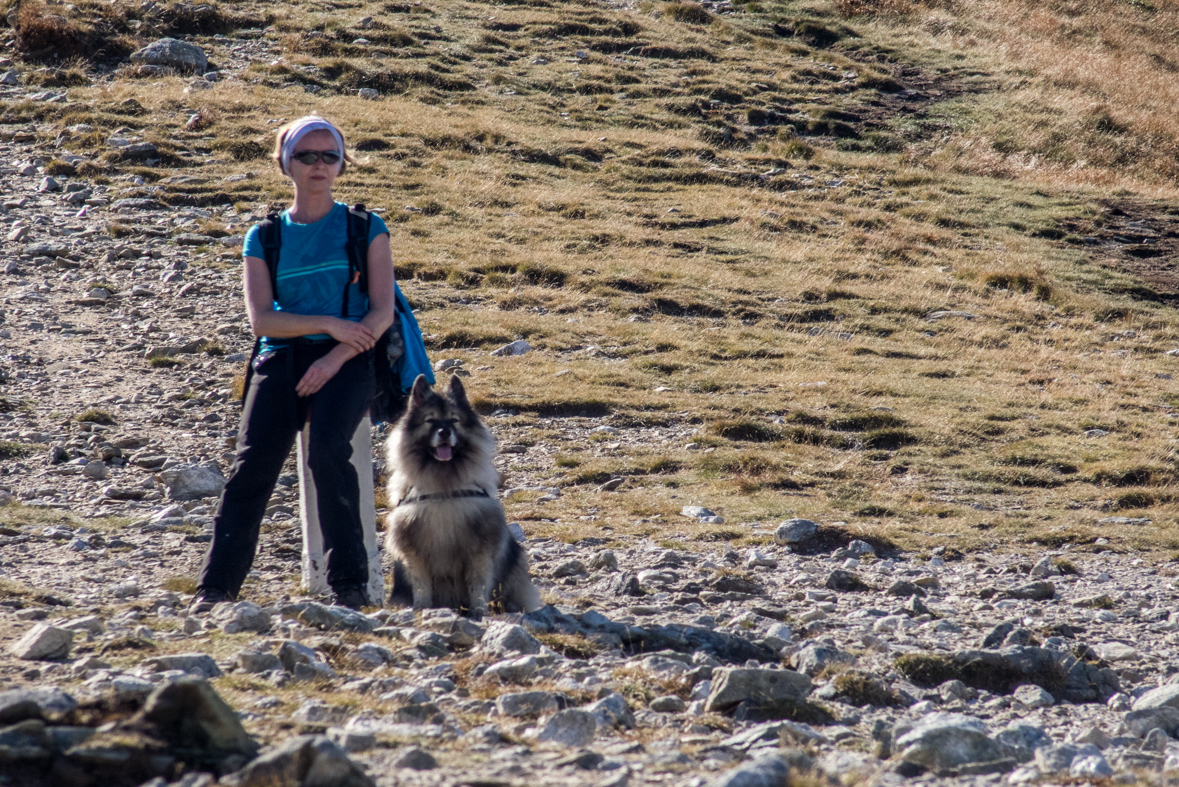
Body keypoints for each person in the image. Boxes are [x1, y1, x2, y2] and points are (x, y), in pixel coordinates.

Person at [191, 116, 394, 612]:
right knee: (251, 467)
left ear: (343, 164)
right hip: (281, 359)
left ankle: (350, 587)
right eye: (307, 156)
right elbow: (262, 321)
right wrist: (330, 323)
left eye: (330, 156)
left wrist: (335, 355)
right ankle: (215, 590)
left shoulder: (366, 227)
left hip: (352, 356)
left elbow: (382, 312)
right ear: (286, 163)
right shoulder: (263, 236)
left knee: (327, 451)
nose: (319, 165)